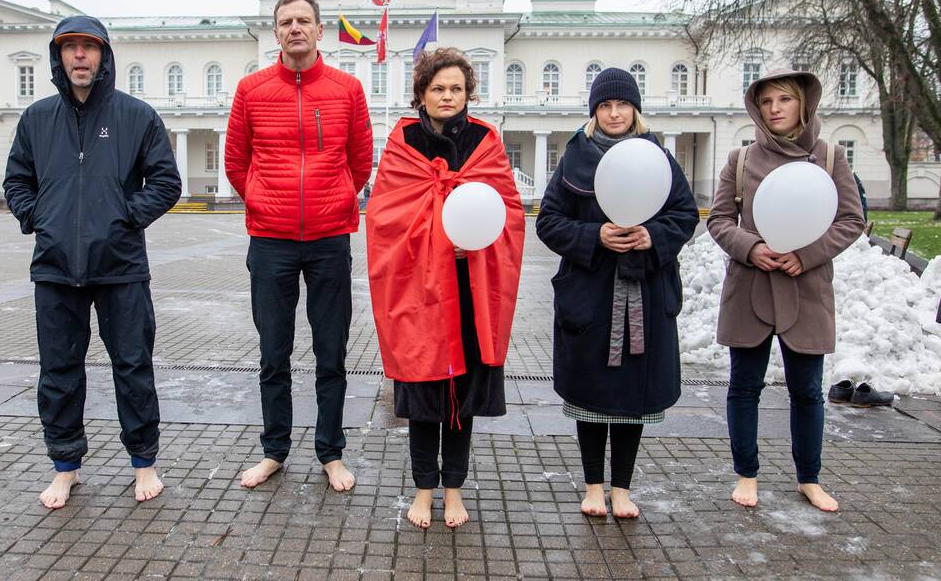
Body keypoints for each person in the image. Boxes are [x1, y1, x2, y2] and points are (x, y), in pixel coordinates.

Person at [3, 15, 182, 509]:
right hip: (56, 269)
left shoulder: (136, 116)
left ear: (103, 56)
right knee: (59, 371)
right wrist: (41, 217)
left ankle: (144, 462)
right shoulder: (37, 119)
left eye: (89, 47)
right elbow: (16, 181)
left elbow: (166, 182)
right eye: (70, 47)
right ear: (58, 57)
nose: (80, 55)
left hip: (121, 268)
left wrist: (124, 217)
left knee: (132, 367)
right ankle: (66, 467)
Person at [366, 48, 524, 528]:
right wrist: (438, 237)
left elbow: (510, 212)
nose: (448, 96)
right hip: (420, 291)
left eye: (456, 88)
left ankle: (453, 488)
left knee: (462, 398)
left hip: (471, 287)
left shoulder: (485, 141)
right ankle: (422, 490)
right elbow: (384, 216)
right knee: (423, 396)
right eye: (438, 88)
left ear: (467, 93)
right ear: (422, 93)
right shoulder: (403, 142)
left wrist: (475, 243)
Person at [225, 0, 373, 492]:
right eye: (285, 21)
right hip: (271, 241)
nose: (294, 28)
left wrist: (331, 200)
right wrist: (266, 201)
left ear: (319, 30)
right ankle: (274, 451)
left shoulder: (347, 90)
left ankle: (331, 453)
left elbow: (359, 160)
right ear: (276, 33)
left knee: (330, 352)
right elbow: (235, 161)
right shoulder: (251, 90)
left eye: (303, 20)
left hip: (331, 238)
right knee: (274, 352)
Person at [536, 68, 698, 519]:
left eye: (621, 104)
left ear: (634, 109)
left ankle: (622, 487)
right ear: (594, 111)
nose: (613, 113)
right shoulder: (575, 157)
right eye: (605, 105)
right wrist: (596, 235)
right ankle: (592, 485)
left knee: (633, 395)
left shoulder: (658, 158)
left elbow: (685, 215)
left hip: (645, 293)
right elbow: (548, 221)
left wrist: (652, 236)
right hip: (592, 295)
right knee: (593, 394)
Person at [708, 69, 864, 512]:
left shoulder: (831, 158)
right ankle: (746, 474)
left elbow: (850, 220)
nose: (774, 109)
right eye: (766, 102)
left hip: (806, 288)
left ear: (802, 104)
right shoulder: (740, 160)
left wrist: (808, 253)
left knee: (807, 390)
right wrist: (751, 247)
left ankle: (808, 478)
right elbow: (719, 220)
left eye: (784, 100)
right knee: (744, 387)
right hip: (751, 287)